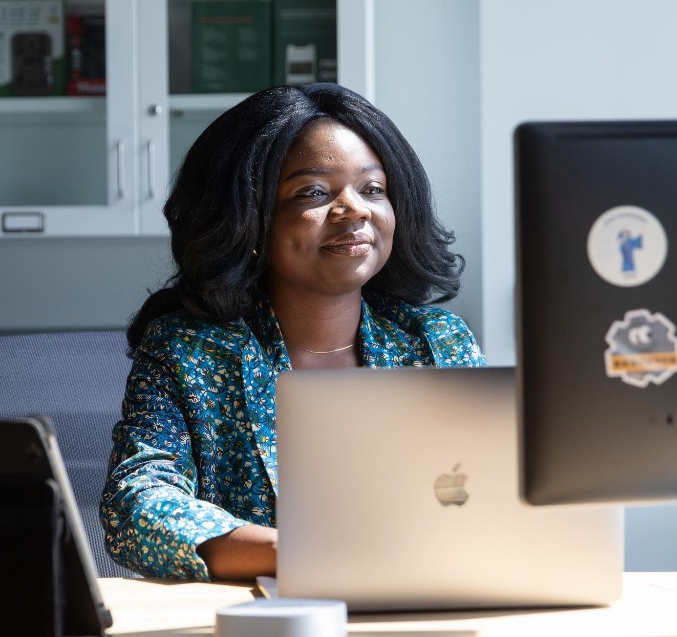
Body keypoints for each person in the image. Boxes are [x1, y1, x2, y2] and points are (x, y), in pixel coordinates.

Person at [100, 83, 486, 581]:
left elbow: (490, 492)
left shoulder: (435, 341)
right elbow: (137, 506)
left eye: (372, 189)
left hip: (429, 607)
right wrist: (313, 557)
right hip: (264, 628)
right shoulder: (189, 351)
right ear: (249, 220)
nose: (354, 210)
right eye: (314, 193)